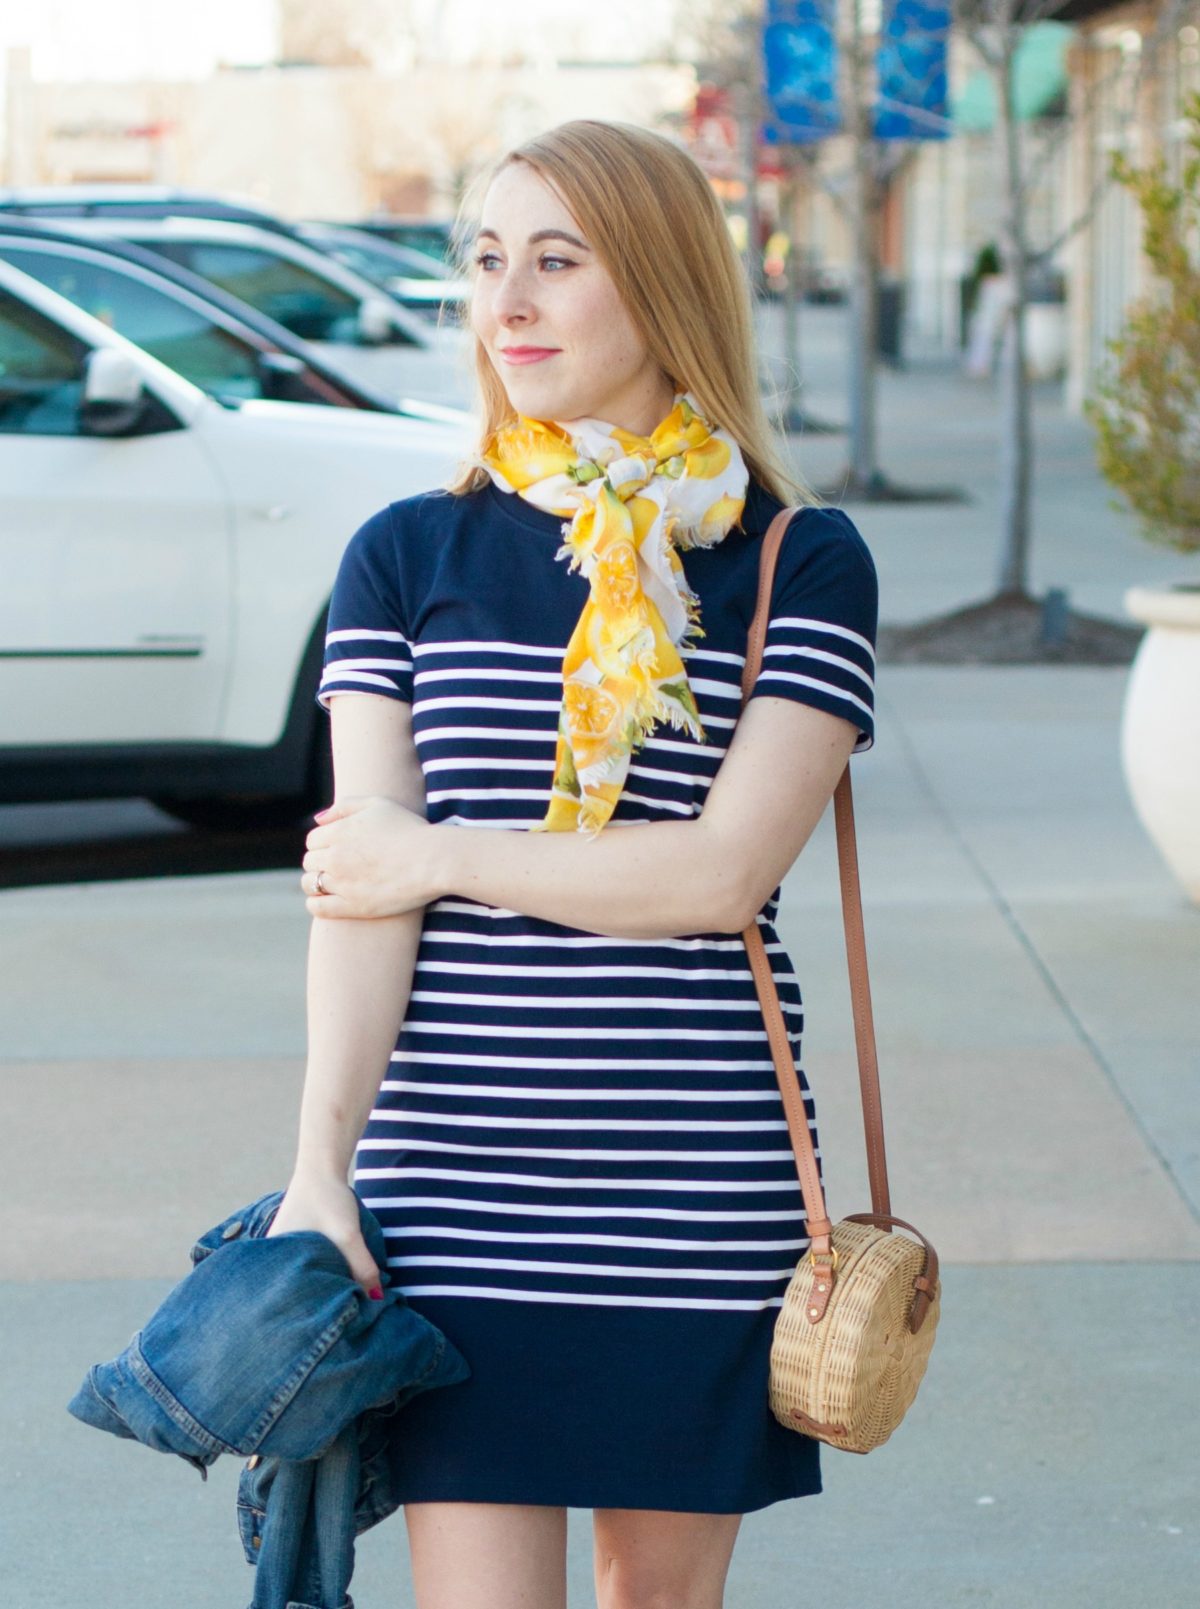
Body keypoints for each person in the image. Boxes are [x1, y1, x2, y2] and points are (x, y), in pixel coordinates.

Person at [268, 118, 878, 1609]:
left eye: (558, 260)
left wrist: (438, 852)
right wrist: (316, 1168)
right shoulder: (405, 554)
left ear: (662, 285)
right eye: (488, 262)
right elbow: (362, 894)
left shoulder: (798, 561)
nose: (509, 303)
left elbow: (719, 877)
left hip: (690, 1193)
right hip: (455, 1183)